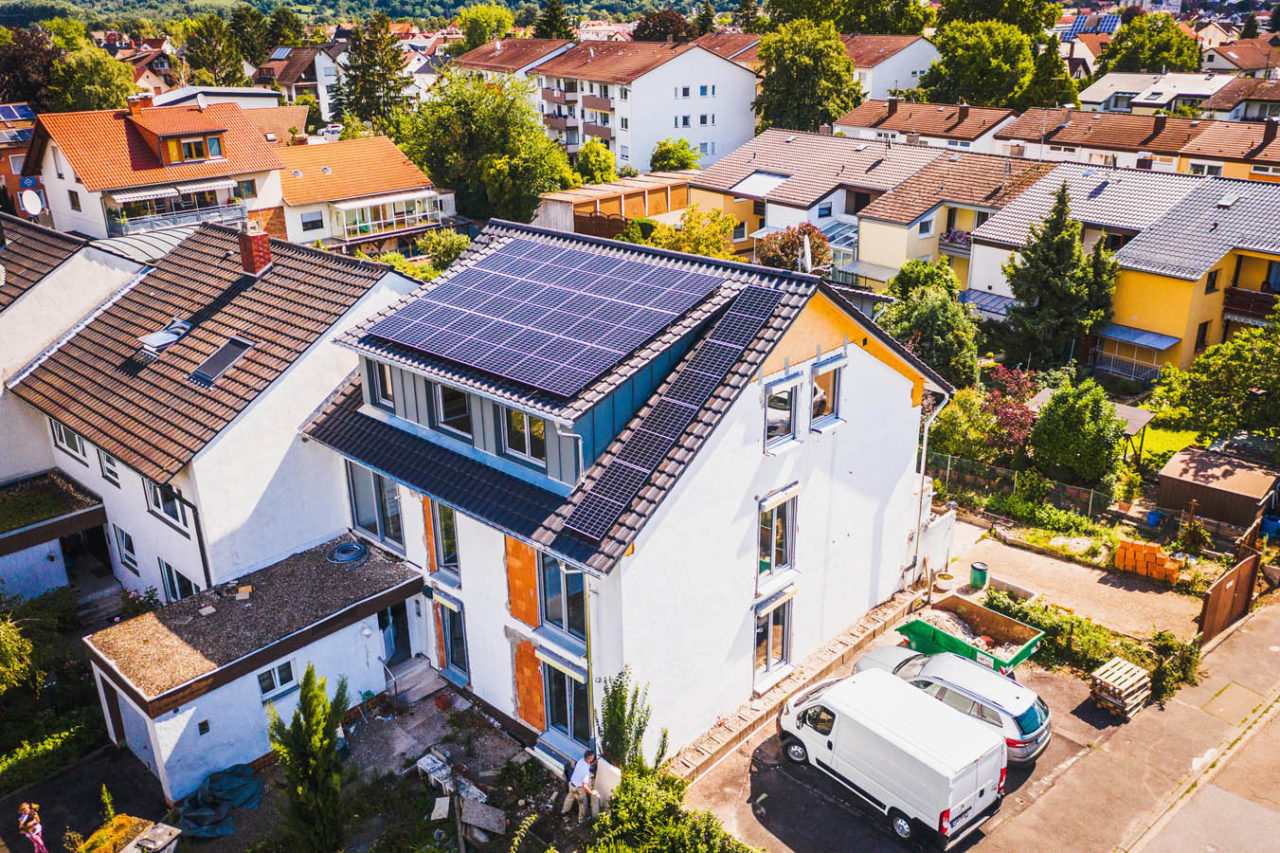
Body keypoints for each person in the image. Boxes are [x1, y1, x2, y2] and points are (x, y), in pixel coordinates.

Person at [560, 750, 596, 824]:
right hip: (579, 789)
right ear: (590, 759)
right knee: (582, 804)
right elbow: (584, 786)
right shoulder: (586, 771)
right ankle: (581, 819)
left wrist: (593, 763)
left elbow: (587, 764)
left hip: (572, 784)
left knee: (569, 798)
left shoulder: (581, 761)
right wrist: (592, 793)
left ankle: (564, 810)